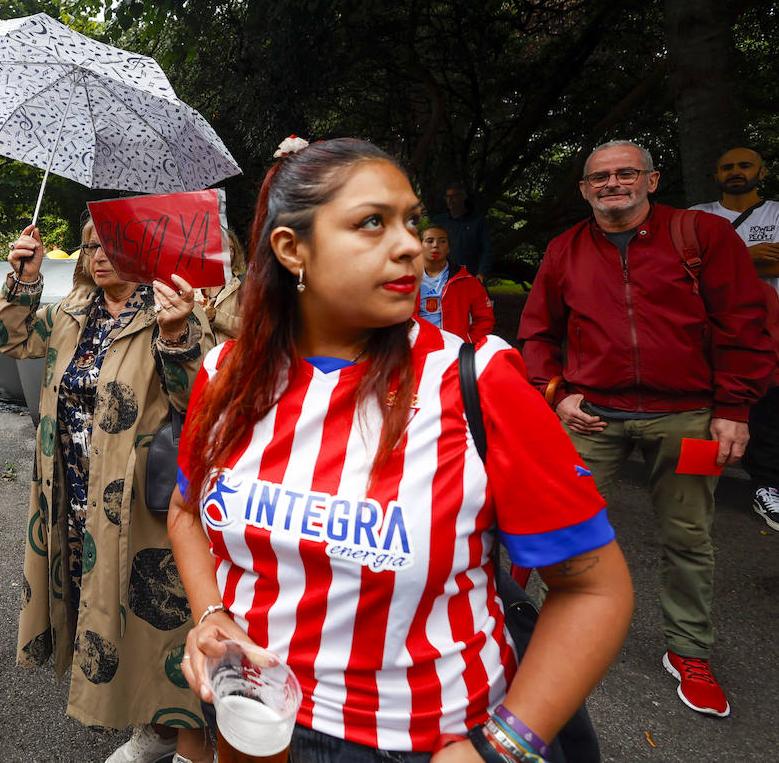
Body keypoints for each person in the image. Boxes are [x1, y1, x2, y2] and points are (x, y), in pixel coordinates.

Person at [170, 137, 634, 763]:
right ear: (290, 249)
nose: (412, 244)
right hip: (252, 725)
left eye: (412, 220)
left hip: (422, 742)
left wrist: (501, 745)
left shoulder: (478, 380)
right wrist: (211, 615)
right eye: (371, 223)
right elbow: (185, 510)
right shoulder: (226, 374)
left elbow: (594, 590)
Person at [520, 140, 774, 718]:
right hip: (593, 417)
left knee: (688, 536)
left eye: (625, 173)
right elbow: (537, 332)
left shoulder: (701, 237)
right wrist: (558, 393)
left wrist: (733, 408)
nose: (613, 184)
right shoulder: (564, 250)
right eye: (600, 177)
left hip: (687, 416)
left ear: (652, 181)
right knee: (554, 527)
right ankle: (527, 633)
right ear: (584, 190)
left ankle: (689, 651)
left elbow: (745, 322)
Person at [0, 218, 213, 763]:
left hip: (140, 499)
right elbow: (12, 337)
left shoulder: (170, 308)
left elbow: (199, 401)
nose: (98, 253)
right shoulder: (70, 312)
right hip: (74, 489)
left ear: (143, 252)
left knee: (154, 615)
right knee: (103, 604)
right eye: (90, 244)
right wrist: (24, 277)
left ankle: (179, 737)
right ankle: (150, 727)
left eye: (111, 244)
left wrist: (176, 335)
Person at [690, 146, 779, 531]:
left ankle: (768, 485)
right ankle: (695, 484)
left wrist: (727, 256)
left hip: (770, 326)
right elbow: (683, 262)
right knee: (705, 405)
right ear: (716, 174)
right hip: (711, 326)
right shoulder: (698, 215)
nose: (736, 172)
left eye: (744, 165)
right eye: (727, 167)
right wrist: (749, 255)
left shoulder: (776, 212)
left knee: (768, 405)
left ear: (762, 170)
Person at [414, 224, 494, 342]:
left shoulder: (467, 280)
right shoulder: (406, 280)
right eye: (430, 241)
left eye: (442, 241)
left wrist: (468, 342)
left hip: (453, 350)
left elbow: (485, 319)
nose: (435, 245)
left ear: (449, 248)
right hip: (416, 347)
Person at [432, 182, 493, 284]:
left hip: (470, 276)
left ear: (463, 197)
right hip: (441, 278)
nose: (450, 200)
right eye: (447, 197)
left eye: (454, 196)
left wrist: (482, 273)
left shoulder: (478, 221)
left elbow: (487, 251)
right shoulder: (439, 221)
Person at [199, 229, 246, 341]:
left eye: (232, 249)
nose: (229, 253)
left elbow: (250, 328)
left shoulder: (241, 284)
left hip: (229, 356)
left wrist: (216, 316)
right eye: (224, 247)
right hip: (200, 357)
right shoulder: (194, 286)